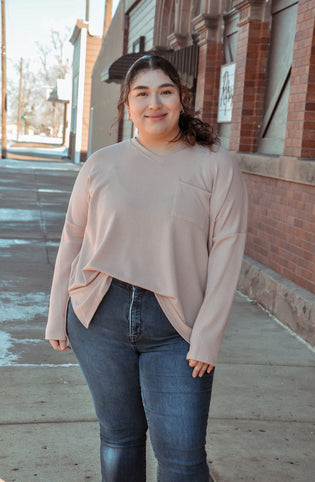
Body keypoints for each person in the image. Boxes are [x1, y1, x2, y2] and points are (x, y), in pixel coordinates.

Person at [46, 54, 248, 482]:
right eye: (142, 94)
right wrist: (56, 317)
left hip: (176, 328)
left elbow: (228, 251)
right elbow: (72, 239)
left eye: (165, 91)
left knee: (182, 458)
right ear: (127, 106)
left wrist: (208, 336)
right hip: (98, 317)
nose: (154, 103)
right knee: (119, 438)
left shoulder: (215, 164)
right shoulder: (101, 163)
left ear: (181, 99)